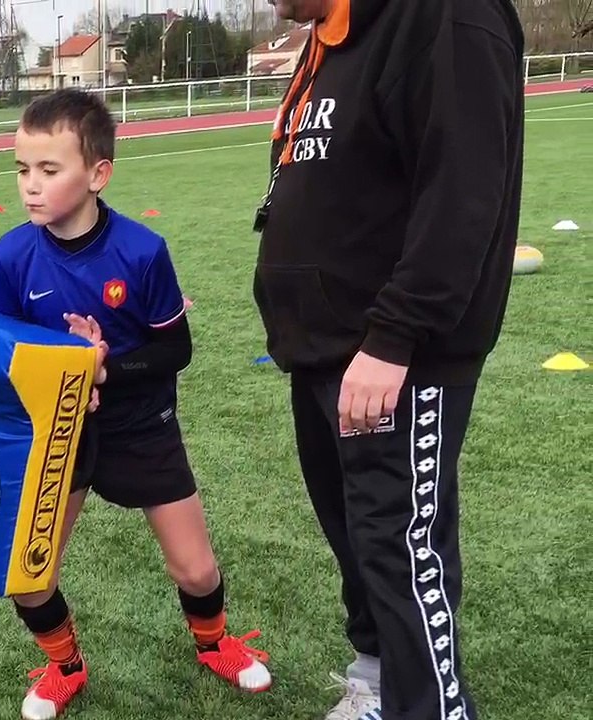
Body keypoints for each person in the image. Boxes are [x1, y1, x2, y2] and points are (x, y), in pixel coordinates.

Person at [253, 1, 524, 719]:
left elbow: (464, 192)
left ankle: (433, 708)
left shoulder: (447, 15)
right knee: (360, 544)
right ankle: (377, 684)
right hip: (325, 351)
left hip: (392, 359)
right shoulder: (335, 34)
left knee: (403, 556)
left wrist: (393, 336)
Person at [0, 88, 273, 720]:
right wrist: (57, 370)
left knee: (196, 572)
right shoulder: (10, 254)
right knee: (27, 576)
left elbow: (176, 350)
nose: (31, 186)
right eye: (22, 170)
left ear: (97, 174)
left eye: (49, 169)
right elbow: (7, 355)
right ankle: (65, 665)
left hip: (141, 426)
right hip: (56, 434)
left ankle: (214, 642)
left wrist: (103, 366)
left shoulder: (142, 251)